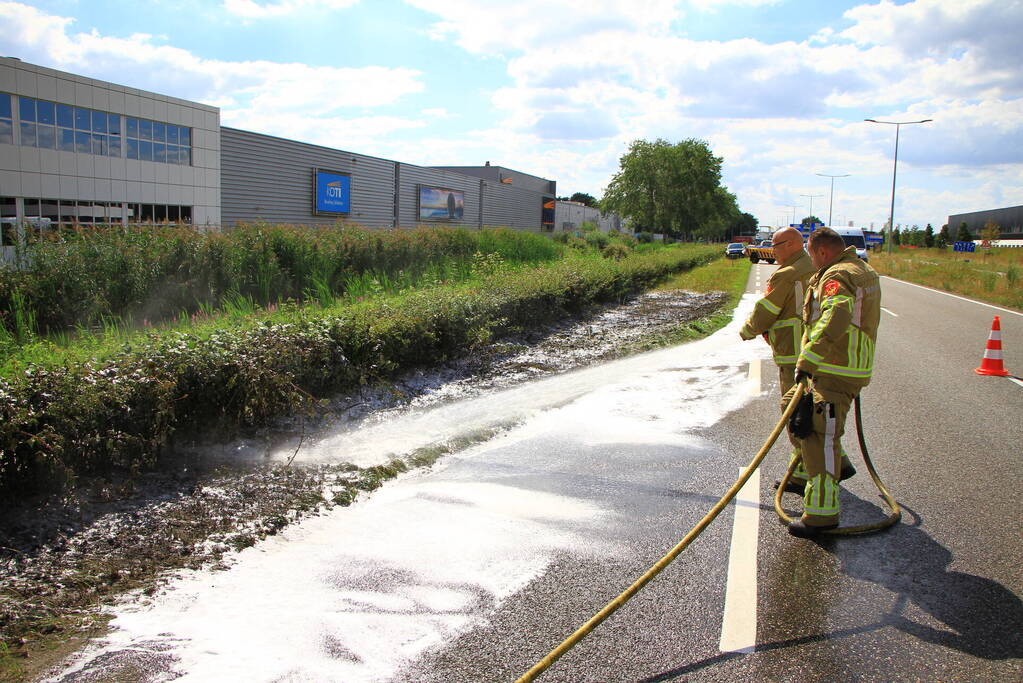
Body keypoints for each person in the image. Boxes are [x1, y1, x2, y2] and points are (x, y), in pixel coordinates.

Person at [783, 227, 881, 538]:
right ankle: (814, 469)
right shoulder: (858, 269)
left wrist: (809, 359)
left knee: (819, 433)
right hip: (842, 364)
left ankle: (821, 514)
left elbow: (836, 314)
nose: (811, 261)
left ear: (822, 251)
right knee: (791, 406)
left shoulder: (837, 275)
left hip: (835, 366)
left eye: (811, 254)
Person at [739, 227, 816, 489]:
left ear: (792, 244)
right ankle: (834, 462)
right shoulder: (815, 268)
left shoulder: (788, 274)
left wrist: (747, 330)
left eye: (776, 245)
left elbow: (767, 310)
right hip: (816, 352)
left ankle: (803, 472)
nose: (772, 251)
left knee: (795, 412)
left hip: (793, 354)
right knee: (817, 410)